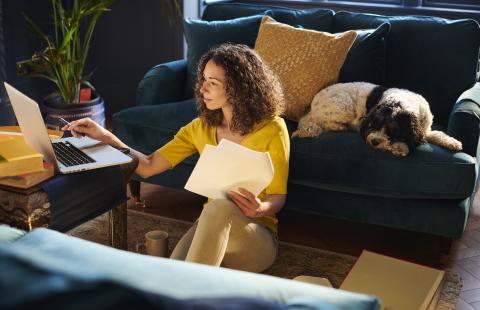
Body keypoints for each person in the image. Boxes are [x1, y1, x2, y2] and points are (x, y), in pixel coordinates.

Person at [63, 43, 290, 272]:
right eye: (203, 80)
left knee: (219, 207)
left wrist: (260, 209)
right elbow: (148, 167)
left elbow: (277, 196)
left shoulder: (272, 128)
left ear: (238, 88)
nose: (202, 89)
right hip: (212, 225)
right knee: (172, 272)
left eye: (213, 82)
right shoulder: (200, 128)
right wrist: (105, 137)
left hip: (256, 240)